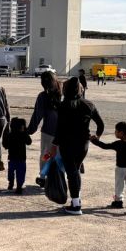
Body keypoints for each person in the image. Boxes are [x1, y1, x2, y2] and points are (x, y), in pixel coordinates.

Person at [55, 77, 104, 214]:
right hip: (83, 144)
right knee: (75, 170)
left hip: (66, 144)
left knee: (71, 172)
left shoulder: (62, 106)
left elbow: (59, 129)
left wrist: (54, 145)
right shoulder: (88, 105)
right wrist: (97, 136)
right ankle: (77, 200)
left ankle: (76, 205)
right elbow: (100, 124)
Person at [27, 71, 62, 186]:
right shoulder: (63, 93)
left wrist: (30, 130)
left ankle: (43, 176)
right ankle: (60, 178)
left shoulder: (43, 96)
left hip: (48, 132)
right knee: (60, 156)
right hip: (64, 133)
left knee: (46, 154)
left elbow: (37, 115)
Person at [2, 117, 31, 194]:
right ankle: (19, 186)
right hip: (21, 158)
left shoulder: (10, 135)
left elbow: (5, 145)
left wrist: (5, 132)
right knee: (21, 173)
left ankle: (11, 183)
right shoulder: (23, 135)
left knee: (11, 172)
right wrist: (25, 132)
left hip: (12, 158)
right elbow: (29, 142)